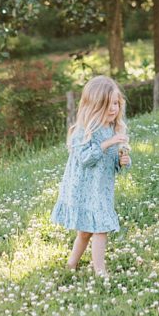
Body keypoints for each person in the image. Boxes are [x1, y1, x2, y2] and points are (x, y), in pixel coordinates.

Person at [51, 75, 131, 275]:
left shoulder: (113, 128)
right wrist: (108, 143)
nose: (113, 108)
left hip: (101, 189)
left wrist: (122, 162)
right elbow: (87, 158)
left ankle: (71, 265)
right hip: (84, 189)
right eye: (107, 104)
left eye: (115, 103)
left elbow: (111, 162)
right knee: (93, 230)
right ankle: (99, 271)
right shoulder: (83, 131)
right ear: (94, 106)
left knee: (89, 230)